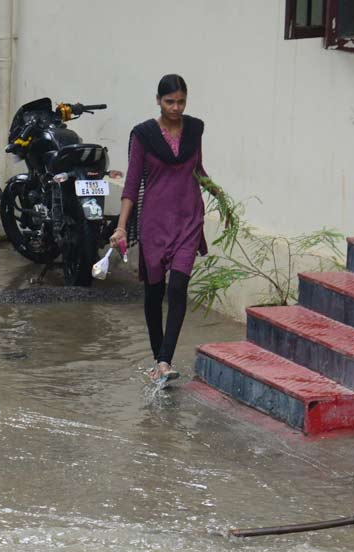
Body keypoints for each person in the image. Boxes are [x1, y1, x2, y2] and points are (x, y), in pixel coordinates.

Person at [111, 74, 221, 383]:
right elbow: (132, 183)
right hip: (155, 223)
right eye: (170, 101)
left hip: (188, 218)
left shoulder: (195, 129)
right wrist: (121, 226)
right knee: (154, 291)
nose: (176, 107)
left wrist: (218, 195)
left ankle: (164, 361)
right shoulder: (143, 135)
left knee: (177, 288)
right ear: (158, 100)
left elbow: (197, 168)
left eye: (181, 101)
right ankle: (159, 358)